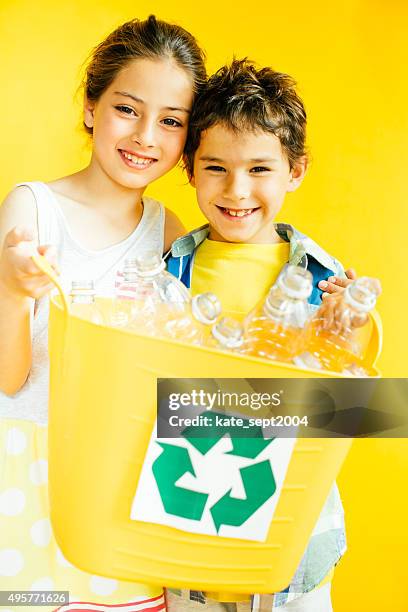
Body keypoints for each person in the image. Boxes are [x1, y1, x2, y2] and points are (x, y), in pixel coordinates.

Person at [0, 15, 206, 610]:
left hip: (119, 482)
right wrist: (12, 291)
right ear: (91, 106)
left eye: (171, 122)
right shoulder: (34, 208)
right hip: (28, 473)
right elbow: (9, 379)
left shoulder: (168, 232)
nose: (145, 135)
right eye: (127, 108)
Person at [164, 59, 379, 611]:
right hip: (188, 532)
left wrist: (347, 338)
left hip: (291, 549)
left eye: (260, 169)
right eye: (216, 167)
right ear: (189, 168)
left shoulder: (327, 282)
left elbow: (350, 412)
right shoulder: (166, 270)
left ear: (295, 171)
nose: (237, 190)